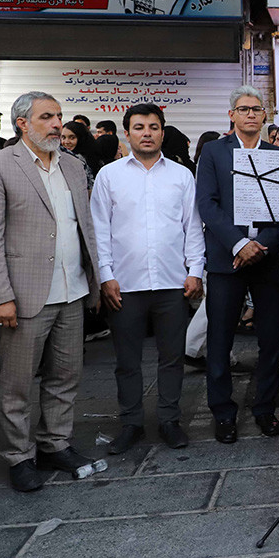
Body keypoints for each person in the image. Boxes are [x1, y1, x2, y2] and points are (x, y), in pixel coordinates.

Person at [0, 91, 104, 492]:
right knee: (16, 384)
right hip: (24, 295)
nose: (57, 124)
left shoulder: (73, 165)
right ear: (22, 123)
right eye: (47, 117)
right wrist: (0, 296)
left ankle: (54, 444)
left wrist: (95, 280)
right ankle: (18, 456)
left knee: (65, 376)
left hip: (72, 289)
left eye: (59, 116)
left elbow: (85, 227)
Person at [91, 103, 205, 455]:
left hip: (172, 283)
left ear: (162, 132)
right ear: (126, 133)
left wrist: (195, 271)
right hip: (124, 285)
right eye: (139, 127)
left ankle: (169, 420)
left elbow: (192, 226)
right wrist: (106, 276)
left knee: (172, 358)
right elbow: (100, 230)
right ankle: (132, 423)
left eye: (153, 127)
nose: (147, 133)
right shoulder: (109, 176)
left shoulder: (181, 175)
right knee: (127, 361)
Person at [195, 86, 279, 443]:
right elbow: (207, 203)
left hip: (267, 257)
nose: (250, 114)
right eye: (243, 109)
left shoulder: (276, 155)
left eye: (256, 109)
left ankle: (265, 408)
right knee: (220, 338)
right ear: (231, 115)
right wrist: (239, 243)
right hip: (226, 258)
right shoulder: (214, 152)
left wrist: (262, 245)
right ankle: (223, 412)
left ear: (264, 116)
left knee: (271, 339)